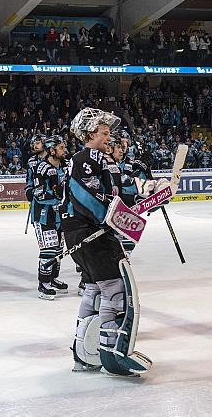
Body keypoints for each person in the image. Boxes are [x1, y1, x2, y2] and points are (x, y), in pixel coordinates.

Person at [62, 107, 151, 377]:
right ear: (90, 133)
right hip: (90, 233)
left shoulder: (105, 160)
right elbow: (88, 197)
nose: (108, 133)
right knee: (114, 291)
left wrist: (151, 195)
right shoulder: (85, 158)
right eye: (103, 130)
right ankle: (113, 356)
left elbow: (122, 196)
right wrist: (110, 217)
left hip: (90, 232)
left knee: (93, 290)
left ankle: (85, 355)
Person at [32, 135, 68, 300]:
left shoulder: (65, 166)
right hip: (44, 215)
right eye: (61, 148)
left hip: (60, 215)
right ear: (52, 150)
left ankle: (53, 278)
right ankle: (43, 283)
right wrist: (59, 196)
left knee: (59, 250)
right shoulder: (41, 168)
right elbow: (39, 194)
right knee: (48, 249)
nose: (64, 150)